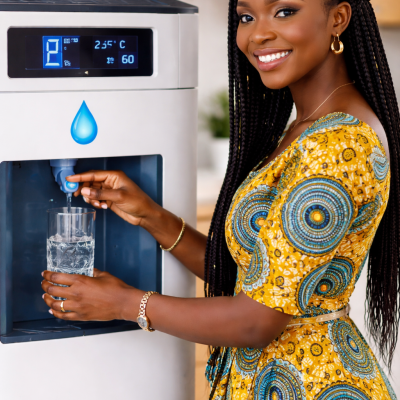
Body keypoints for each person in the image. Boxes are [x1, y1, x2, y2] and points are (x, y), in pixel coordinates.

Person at [41, 0, 400, 398]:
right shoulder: (306, 128)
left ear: (338, 18)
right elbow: (256, 280)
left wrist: (125, 303)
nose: (258, 33)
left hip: (313, 384)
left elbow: (255, 321)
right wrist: (151, 216)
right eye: (246, 17)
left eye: (284, 11)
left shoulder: (337, 145)